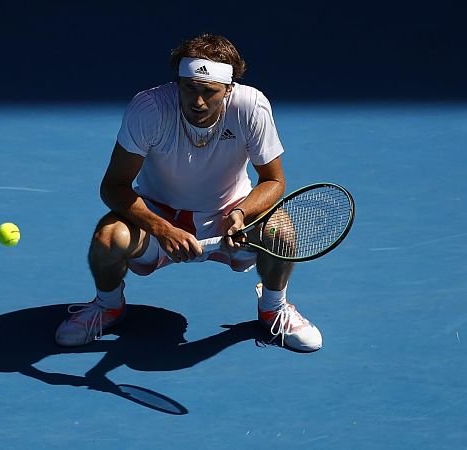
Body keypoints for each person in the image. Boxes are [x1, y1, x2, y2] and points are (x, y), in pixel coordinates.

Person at [55, 33, 322, 352]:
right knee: (108, 239)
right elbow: (114, 187)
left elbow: (273, 181)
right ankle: (108, 306)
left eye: (209, 92)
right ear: (178, 81)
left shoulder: (251, 107)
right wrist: (162, 228)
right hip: (157, 215)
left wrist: (240, 215)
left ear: (228, 89)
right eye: (189, 88)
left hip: (229, 216)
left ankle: (273, 308)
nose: (197, 102)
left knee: (283, 233)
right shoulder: (150, 109)